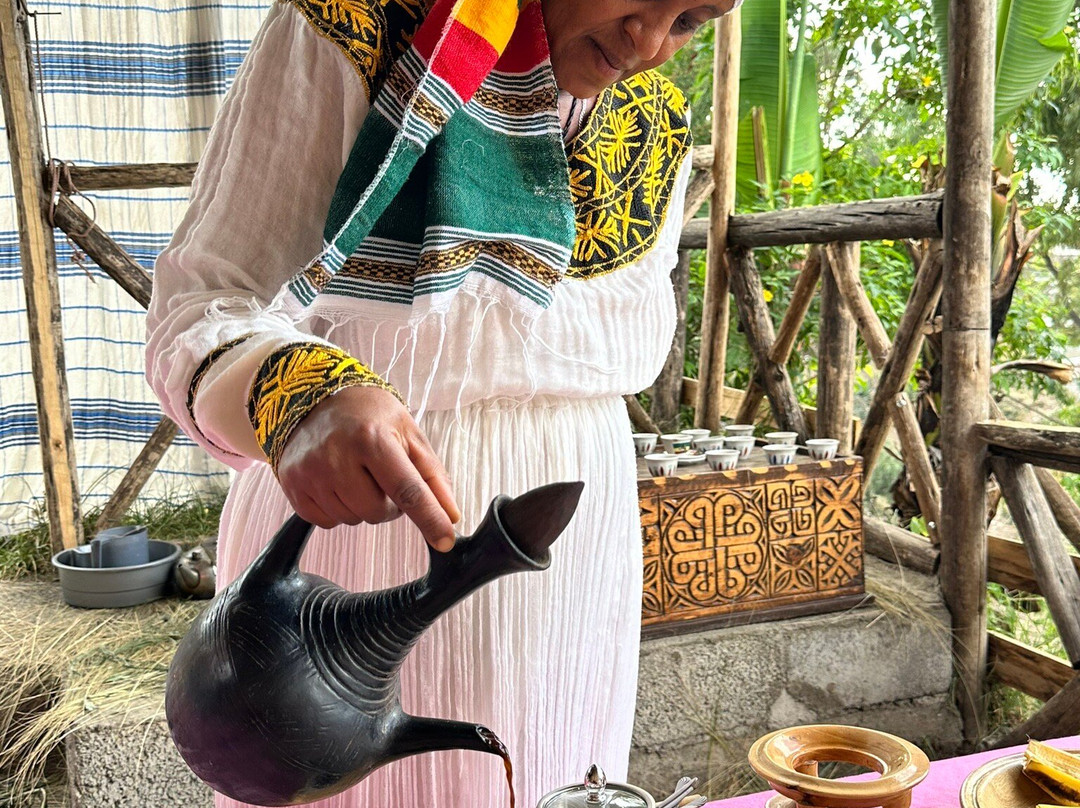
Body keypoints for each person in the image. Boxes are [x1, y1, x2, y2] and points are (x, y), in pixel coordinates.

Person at [146, 0, 737, 804]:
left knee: (553, 771)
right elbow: (205, 301)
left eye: (693, 19)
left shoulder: (654, 120)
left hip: (571, 571)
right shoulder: (354, 27)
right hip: (352, 559)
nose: (648, 42)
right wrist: (300, 395)